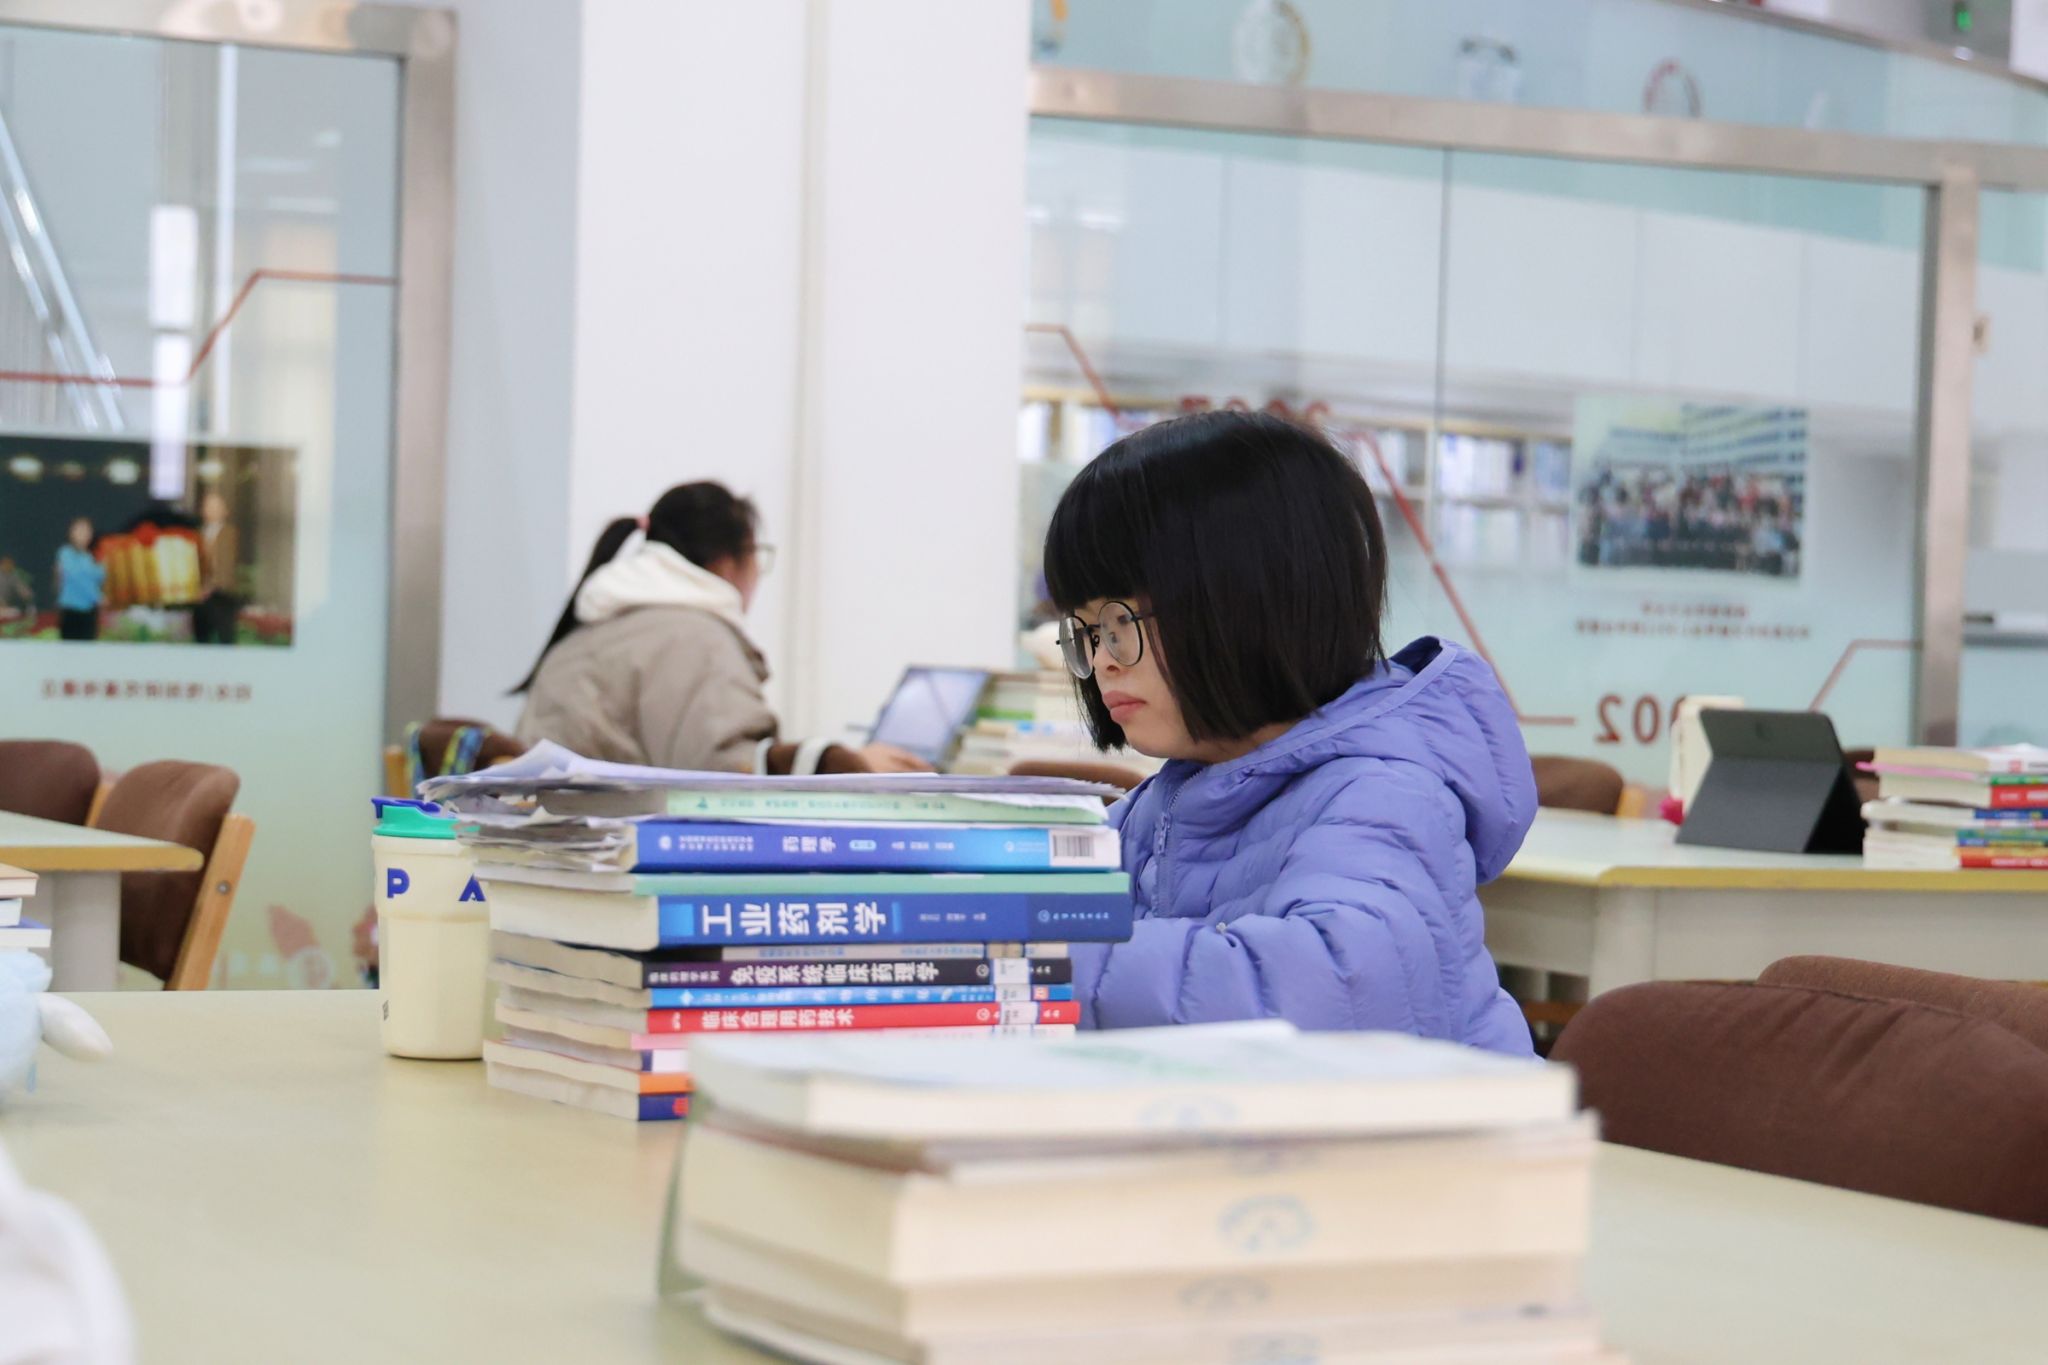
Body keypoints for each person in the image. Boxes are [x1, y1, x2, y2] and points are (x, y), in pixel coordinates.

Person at [1043, 410, 1535, 1055]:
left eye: (1121, 621)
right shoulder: (1169, 802)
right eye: (1085, 631)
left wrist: (1036, 960)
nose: (1102, 659)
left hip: (1425, 1123)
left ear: (1252, 603)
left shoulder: (1382, 794)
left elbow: (1332, 987)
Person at [514, 482, 928, 775]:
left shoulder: (595, 626)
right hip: (613, 859)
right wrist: (851, 768)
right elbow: (729, 777)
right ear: (729, 563)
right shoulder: (694, 638)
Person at [194, 490, 241, 645]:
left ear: (225, 510)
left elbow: (226, 565)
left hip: (222, 597)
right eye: (208, 506)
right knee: (201, 640)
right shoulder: (197, 534)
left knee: (224, 640)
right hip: (199, 598)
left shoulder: (230, 534)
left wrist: (210, 587)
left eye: (216, 506)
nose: (211, 510)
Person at [53, 518, 103, 642]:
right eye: (79, 530)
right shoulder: (65, 554)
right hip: (70, 610)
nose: (83, 534)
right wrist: (97, 597)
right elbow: (74, 577)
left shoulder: (90, 557)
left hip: (89, 611)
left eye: (86, 531)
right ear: (71, 533)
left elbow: (99, 578)